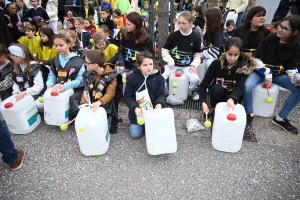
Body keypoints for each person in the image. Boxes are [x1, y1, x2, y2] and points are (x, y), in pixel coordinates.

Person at [244, 15, 300, 135]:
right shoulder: (269, 39)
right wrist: (266, 73)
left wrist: (296, 78)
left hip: (278, 75)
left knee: (298, 89)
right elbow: (255, 59)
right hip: (260, 72)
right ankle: (249, 113)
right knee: (248, 85)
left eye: (285, 28)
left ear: (294, 32)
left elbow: (291, 66)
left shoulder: (296, 46)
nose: (280, 29)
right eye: (280, 26)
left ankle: (280, 118)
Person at [199, 37, 256, 121]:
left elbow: (239, 87)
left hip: (233, 97)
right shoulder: (216, 64)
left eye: (236, 55)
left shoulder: (243, 67)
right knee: (216, 88)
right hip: (218, 94)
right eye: (230, 54)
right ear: (225, 51)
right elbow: (203, 85)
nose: (232, 58)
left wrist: (232, 98)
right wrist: (203, 102)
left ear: (240, 53)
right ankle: (214, 107)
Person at [124, 51, 165, 139]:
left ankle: (149, 124)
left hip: (153, 111)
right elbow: (128, 96)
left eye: (150, 64)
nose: (149, 67)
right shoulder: (132, 78)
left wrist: (159, 104)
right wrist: (135, 108)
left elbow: (161, 94)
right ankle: (139, 124)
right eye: (145, 65)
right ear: (139, 66)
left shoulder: (159, 78)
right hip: (138, 112)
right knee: (135, 134)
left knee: (155, 134)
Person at [161, 11, 201, 100]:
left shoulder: (196, 37)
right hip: (173, 64)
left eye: (184, 23)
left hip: (187, 65)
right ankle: (165, 91)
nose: (181, 25)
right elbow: (164, 50)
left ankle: (190, 90)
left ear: (191, 23)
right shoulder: (173, 35)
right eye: (179, 23)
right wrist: (170, 61)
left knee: (195, 79)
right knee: (161, 77)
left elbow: (197, 54)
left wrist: (194, 65)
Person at [47, 34, 85, 119]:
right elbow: (52, 74)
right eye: (56, 46)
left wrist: (65, 86)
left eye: (61, 45)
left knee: (73, 107)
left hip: (75, 90)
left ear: (69, 44)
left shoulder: (79, 61)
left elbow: (80, 80)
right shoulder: (54, 59)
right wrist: (49, 84)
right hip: (58, 87)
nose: (58, 48)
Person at [81, 49, 119, 133]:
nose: (85, 64)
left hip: (106, 104)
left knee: (104, 129)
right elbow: (86, 90)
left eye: (87, 62)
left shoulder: (111, 76)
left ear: (95, 65)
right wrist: (83, 104)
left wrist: (99, 102)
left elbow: (110, 93)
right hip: (92, 102)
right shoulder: (89, 73)